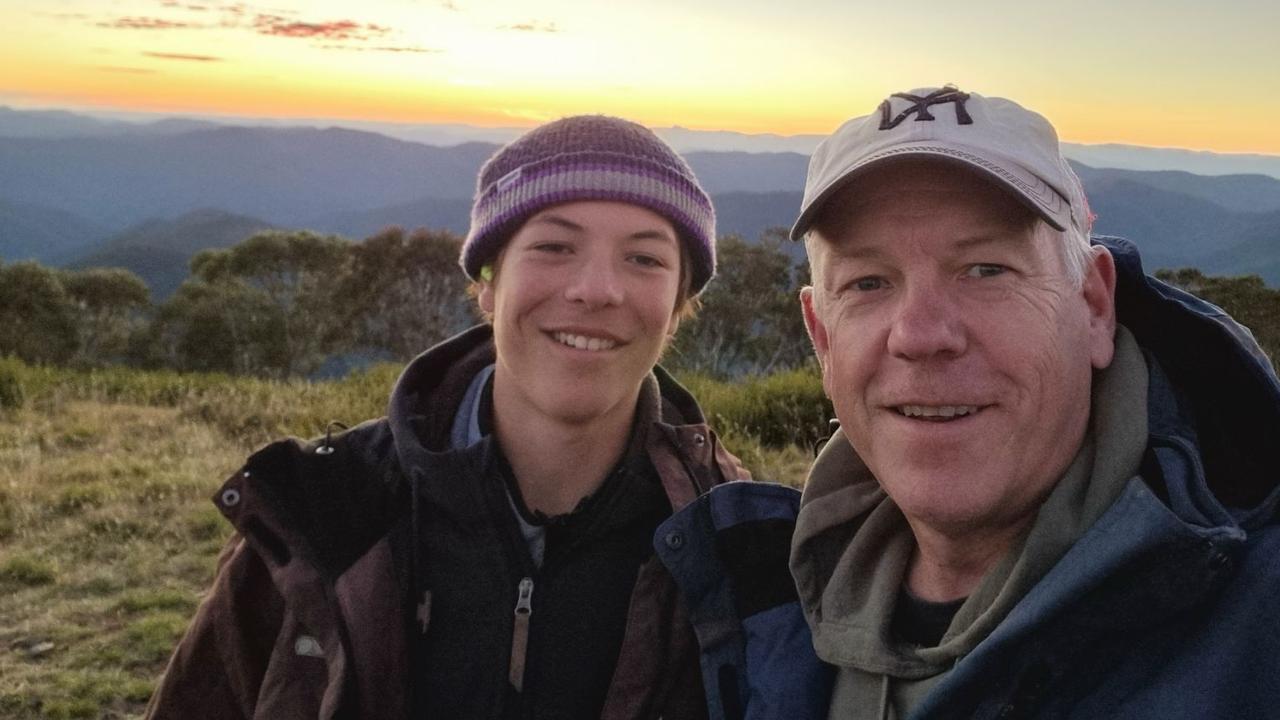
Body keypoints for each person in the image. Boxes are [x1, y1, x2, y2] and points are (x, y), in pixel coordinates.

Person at [146, 115, 760, 719]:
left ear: (679, 307)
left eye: (645, 260)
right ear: (489, 284)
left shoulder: (736, 541)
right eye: (553, 246)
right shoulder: (320, 514)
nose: (597, 289)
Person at [788, 86, 1280, 719]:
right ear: (822, 338)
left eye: (986, 269)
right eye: (868, 283)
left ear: (1094, 306)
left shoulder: (1258, 621)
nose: (921, 335)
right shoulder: (757, 610)